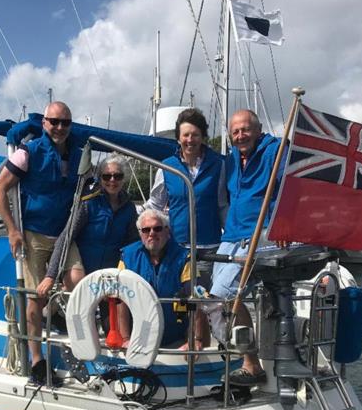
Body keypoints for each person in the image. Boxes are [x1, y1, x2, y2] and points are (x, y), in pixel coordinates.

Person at [0, 101, 85, 384]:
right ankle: (36, 359)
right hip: (33, 233)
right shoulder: (28, 152)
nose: (59, 128)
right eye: (54, 122)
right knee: (35, 297)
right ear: (44, 123)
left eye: (65, 123)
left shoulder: (80, 156)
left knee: (77, 283)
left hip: (64, 234)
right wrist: (12, 230)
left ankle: (64, 325)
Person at [209, 109, 284, 385]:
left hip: (259, 236)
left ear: (258, 129)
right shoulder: (230, 162)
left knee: (223, 294)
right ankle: (247, 360)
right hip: (231, 236)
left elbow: (288, 188)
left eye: (245, 129)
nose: (240, 135)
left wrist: (281, 226)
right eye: (235, 131)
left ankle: (250, 361)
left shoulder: (275, 150)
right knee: (223, 300)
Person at [145, 108, 228, 286]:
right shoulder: (167, 167)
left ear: (203, 136)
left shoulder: (218, 165)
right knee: (179, 303)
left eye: (195, 135)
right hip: (177, 248)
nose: (190, 140)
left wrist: (231, 236)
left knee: (203, 302)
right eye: (186, 135)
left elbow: (222, 205)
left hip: (208, 249)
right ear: (178, 138)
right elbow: (155, 206)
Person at [37, 154, 139, 297]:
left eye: (117, 176)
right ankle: (56, 308)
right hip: (83, 269)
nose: (112, 180)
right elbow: (66, 237)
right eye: (106, 176)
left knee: (110, 317)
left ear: (124, 178)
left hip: (111, 272)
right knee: (80, 296)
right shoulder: (89, 203)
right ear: (99, 178)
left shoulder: (129, 208)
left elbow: (133, 243)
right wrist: (51, 275)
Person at [117, 209, 207, 350]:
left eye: (157, 229)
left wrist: (195, 340)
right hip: (138, 339)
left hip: (175, 339)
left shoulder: (184, 257)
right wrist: (125, 339)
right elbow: (120, 299)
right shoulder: (127, 256)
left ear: (167, 231)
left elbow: (196, 298)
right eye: (146, 230)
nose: (152, 233)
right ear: (140, 233)